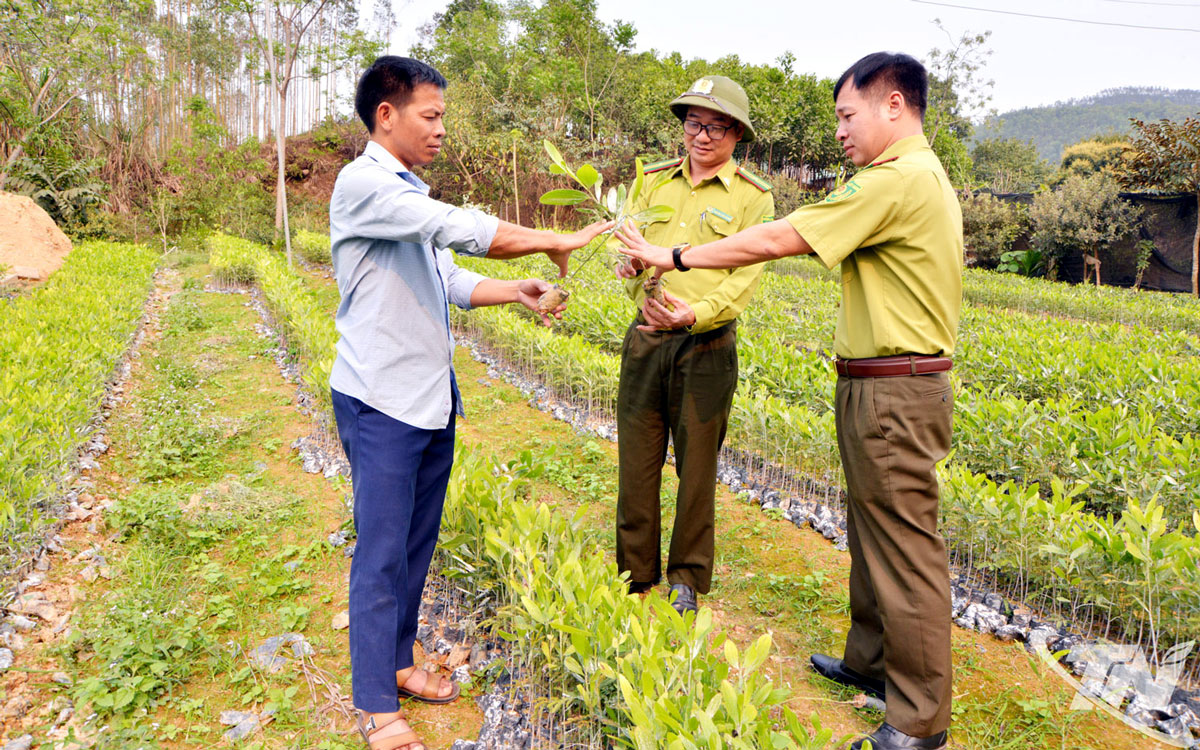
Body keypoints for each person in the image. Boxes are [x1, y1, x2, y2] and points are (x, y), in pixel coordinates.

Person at [616, 52, 962, 750]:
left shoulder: (895, 179)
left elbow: (781, 238)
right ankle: (870, 662)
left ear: (893, 105)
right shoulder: (906, 177)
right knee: (873, 536)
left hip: (896, 384)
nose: (839, 130)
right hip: (878, 379)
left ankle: (919, 722)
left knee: (904, 546)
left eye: (847, 114)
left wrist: (675, 257)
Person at [330, 56, 610, 750]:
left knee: (414, 547)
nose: (442, 130)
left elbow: (449, 274)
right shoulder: (365, 184)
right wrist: (550, 238)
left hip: (426, 400)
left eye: (442, 117)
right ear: (386, 115)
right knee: (381, 550)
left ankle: (398, 662)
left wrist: (515, 290)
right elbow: (458, 228)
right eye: (432, 116)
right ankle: (374, 706)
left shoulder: (405, 191)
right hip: (380, 401)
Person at [613, 75, 774, 616]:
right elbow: (628, 249)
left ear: (736, 134)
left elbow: (743, 278)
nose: (702, 136)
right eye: (694, 124)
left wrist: (696, 313)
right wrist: (633, 275)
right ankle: (634, 571)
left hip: (707, 347)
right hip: (646, 340)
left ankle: (686, 575)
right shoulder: (652, 182)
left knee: (697, 466)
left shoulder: (754, 198)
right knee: (637, 458)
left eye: (716, 127)